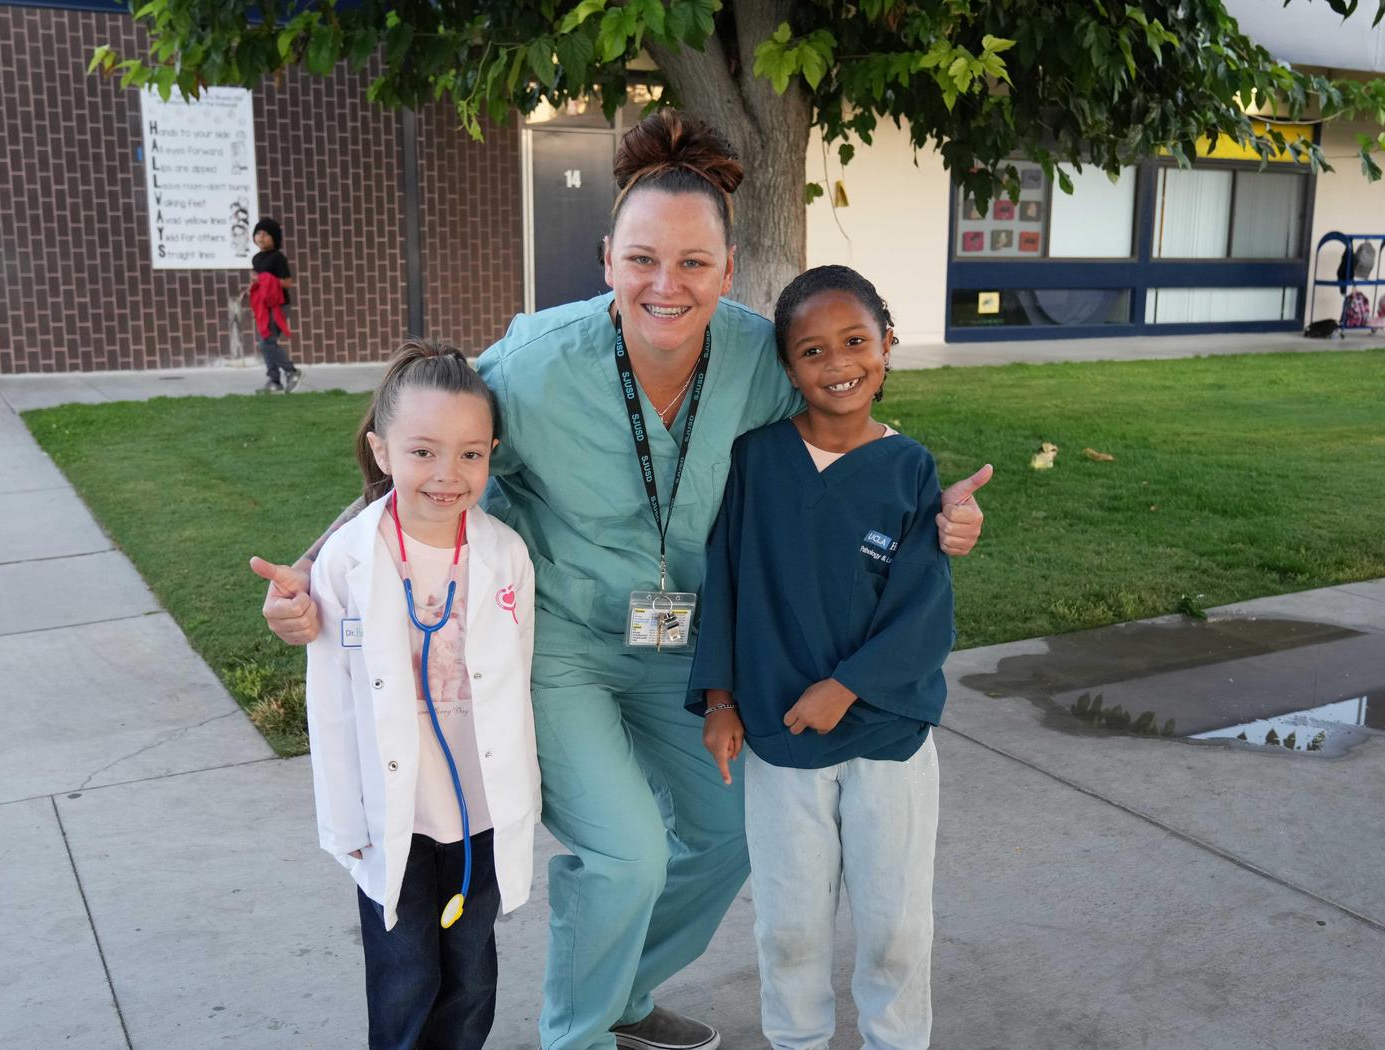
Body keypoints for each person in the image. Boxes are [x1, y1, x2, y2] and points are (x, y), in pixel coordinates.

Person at [251, 109, 990, 1050]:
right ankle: (579, 1033)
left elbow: (852, 432)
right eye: (642, 259)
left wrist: (938, 510)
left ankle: (623, 992)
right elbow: (419, 449)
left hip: (691, 650)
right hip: (564, 648)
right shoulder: (532, 368)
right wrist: (312, 567)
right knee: (627, 853)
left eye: (693, 263)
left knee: (733, 833)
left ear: (727, 270)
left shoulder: (761, 361)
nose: (665, 285)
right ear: (607, 260)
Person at [692, 266, 953, 1049]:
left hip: (888, 737)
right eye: (812, 351)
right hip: (782, 735)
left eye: (855, 341)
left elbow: (924, 609)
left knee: (895, 930)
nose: (838, 363)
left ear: (886, 344)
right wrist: (720, 699)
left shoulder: (911, 469)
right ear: (788, 366)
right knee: (789, 929)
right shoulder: (756, 460)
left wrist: (846, 686)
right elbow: (724, 579)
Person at [304, 340, 542, 1049]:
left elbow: (518, 683)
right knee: (405, 980)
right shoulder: (347, 560)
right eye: (422, 452)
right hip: (392, 816)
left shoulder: (505, 554)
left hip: (480, 812)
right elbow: (332, 705)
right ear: (381, 451)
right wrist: (346, 822)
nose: (447, 474)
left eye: (470, 454)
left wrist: (522, 797)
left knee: (471, 980)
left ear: (492, 453)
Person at [250, 217, 301, 391]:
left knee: (267, 342)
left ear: (274, 237)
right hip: (264, 306)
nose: (261, 237)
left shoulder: (278, 258)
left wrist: (267, 280)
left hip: (279, 305)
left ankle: (291, 371)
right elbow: (257, 280)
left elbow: (288, 282)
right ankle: (274, 381)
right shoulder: (256, 258)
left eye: (266, 234)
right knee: (265, 343)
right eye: (258, 233)